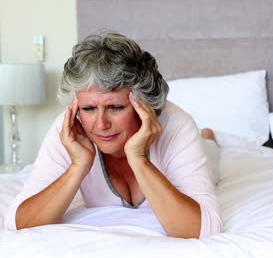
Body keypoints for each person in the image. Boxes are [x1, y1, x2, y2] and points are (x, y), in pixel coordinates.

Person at [4, 32, 223, 238]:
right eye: (89, 108)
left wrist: (138, 158)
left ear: (144, 105)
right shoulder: (70, 127)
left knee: (210, 155)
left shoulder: (177, 124)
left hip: (193, 146)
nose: (100, 125)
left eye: (116, 108)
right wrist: (78, 166)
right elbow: (18, 223)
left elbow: (201, 229)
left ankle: (208, 138)